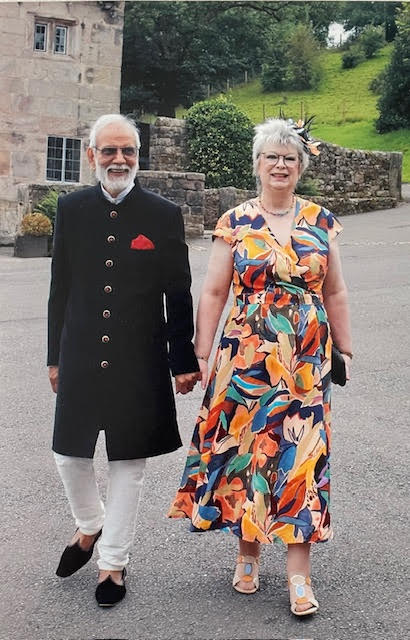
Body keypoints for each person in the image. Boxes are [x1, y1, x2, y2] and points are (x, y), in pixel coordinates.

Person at [169, 117, 352, 616]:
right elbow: (213, 291)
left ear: (301, 166)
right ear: (257, 164)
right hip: (246, 357)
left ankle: (299, 574)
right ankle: (247, 553)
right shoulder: (235, 221)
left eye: (290, 158)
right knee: (248, 452)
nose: (280, 165)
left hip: (306, 362)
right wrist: (201, 351)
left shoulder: (321, 221)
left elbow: (335, 290)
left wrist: (345, 348)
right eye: (271, 156)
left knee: (301, 457)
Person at [48, 113, 200, 607]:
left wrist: (182, 360)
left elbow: (178, 292)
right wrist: (53, 356)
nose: (119, 160)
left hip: (140, 357)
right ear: (92, 155)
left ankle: (112, 563)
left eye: (128, 151)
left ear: (138, 156)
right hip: (80, 350)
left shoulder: (163, 214)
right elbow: (59, 288)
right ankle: (89, 523)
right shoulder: (71, 208)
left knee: (128, 463)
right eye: (109, 150)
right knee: (69, 455)